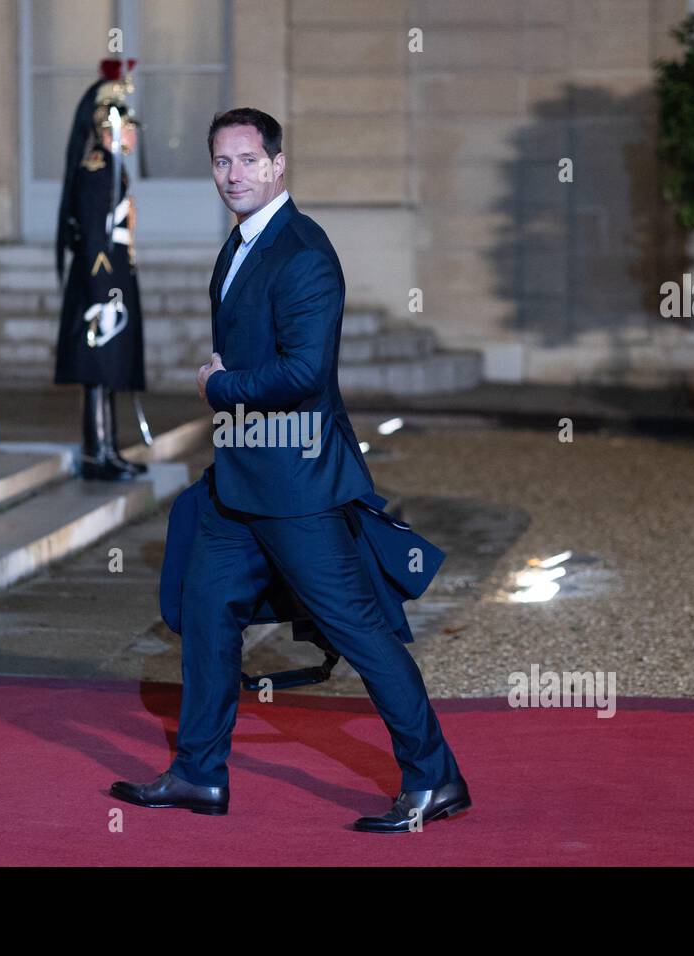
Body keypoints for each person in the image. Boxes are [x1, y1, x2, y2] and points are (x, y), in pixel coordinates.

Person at [110, 108, 470, 833]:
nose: (233, 175)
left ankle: (437, 780)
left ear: (278, 164)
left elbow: (305, 371)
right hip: (239, 484)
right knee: (208, 615)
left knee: (361, 630)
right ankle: (199, 775)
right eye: (221, 162)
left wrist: (220, 388)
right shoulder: (241, 245)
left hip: (297, 484)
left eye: (247, 160)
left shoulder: (304, 251)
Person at [54, 61, 147, 480]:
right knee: (98, 367)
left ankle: (109, 447)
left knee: (109, 367)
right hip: (102, 282)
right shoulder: (97, 168)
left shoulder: (112, 168)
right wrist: (101, 290)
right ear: (110, 126)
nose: (133, 134)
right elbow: (93, 236)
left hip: (114, 278)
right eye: (128, 126)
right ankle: (96, 453)